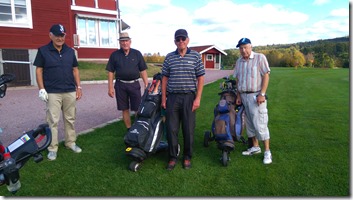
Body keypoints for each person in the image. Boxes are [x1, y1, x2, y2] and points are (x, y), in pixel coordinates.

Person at [34, 24, 83, 161]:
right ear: (51, 35)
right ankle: (52, 148)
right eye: (57, 35)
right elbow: (39, 70)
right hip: (52, 92)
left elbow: (75, 69)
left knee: (70, 119)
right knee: (53, 121)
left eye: (62, 35)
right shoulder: (43, 51)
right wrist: (41, 89)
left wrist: (79, 87)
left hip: (69, 90)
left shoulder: (70, 51)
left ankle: (70, 143)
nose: (60, 38)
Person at [161, 29, 205, 170]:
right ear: (175, 41)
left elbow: (200, 78)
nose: (181, 41)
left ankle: (187, 157)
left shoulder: (196, 56)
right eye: (178, 39)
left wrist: (197, 98)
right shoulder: (169, 57)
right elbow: (164, 78)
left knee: (188, 129)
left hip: (189, 98)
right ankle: (173, 157)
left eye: (183, 39)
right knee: (171, 129)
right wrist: (163, 98)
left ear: (188, 40)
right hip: (172, 98)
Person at [233, 37, 272, 164]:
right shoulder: (239, 62)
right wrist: (238, 96)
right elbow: (237, 79)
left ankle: (267, 152)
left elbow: (266, 75)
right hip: (244, 96)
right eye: (241, 48)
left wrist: (262, 93)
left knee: (260, 124)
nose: (243, 50)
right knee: (249, 124)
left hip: (256, 97)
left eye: (245, 47)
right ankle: (255, 147)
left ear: (251, 47)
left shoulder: (260, 58)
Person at [106, 32, 148, 131]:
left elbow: (143, 70)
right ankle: (129, 129)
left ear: (130, 42)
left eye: (126, 41)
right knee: (124, 108)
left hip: (134, 84)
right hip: (120, 85)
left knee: (137, 108)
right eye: (122, 41)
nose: (125, 43)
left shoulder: (137, 53)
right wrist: (110, 87)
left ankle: (139, 128)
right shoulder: (114, 55)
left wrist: (146, 84)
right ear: (120, 43)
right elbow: (111, 72)